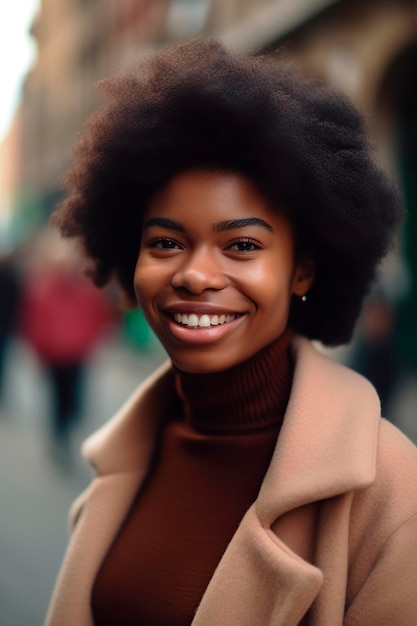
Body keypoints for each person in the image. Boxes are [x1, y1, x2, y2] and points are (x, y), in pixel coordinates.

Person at [45, 38, 416, 625]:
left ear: (302, 270)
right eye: (165, 243)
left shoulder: (392, 495)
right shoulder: (124, 456)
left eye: (241, 245)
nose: (194, 274)